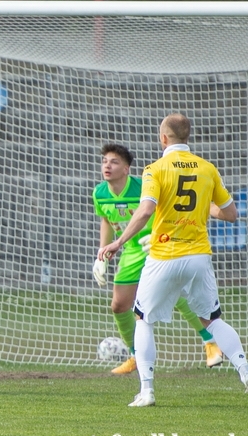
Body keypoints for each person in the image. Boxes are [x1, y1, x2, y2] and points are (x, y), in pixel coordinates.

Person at [98, 113, 248, 407]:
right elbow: (230, 214)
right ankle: (245, 373)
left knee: (143, 319)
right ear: (187, 137)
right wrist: (204, 208)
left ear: (163, 138)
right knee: (213, 320)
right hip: (198, 256)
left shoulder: (155, 169)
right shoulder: (207, 168)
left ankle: (147, 391)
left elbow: (144, 211)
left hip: (166, 253)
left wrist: (118, 241)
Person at [92, 143, 223, 374]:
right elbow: (106, 220)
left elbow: (168, 208)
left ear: (126, 169)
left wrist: (156, 234)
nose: (107, 166)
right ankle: (134, 354)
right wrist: (102, 254)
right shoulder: (99, 193)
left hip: (160, 243)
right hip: (132, 250)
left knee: (178, 296)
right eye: (104, 161)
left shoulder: (143, 185)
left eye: (114, 162)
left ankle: (210, 341)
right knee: (119, 305)